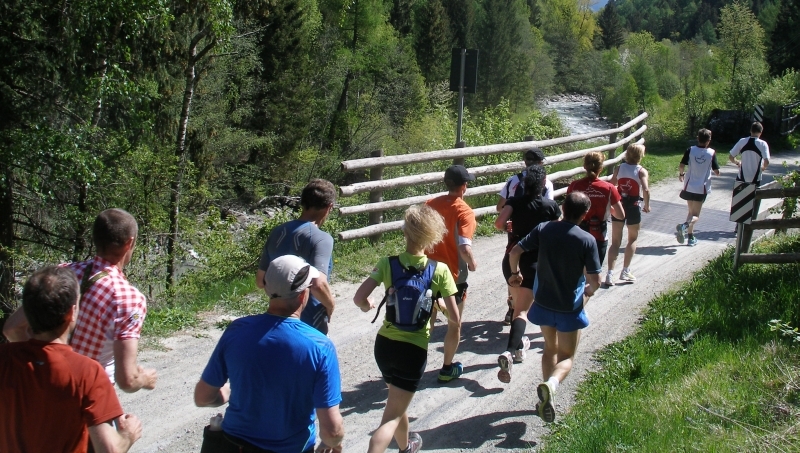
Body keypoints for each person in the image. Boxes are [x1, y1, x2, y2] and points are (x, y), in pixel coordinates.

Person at [195, 255, 344, 453]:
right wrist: (333, 444)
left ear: (267, 289)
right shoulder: (320, 347)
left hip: (232, 445)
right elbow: (332, 431)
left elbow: (203, 397)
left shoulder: (236, 330)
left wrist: (230, 392)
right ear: (303, 295)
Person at [3, 208, 157, 392]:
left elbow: (11, 328)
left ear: (96, 238)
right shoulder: (129, 299)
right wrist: (145, 379)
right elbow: (127, 380)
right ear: (129, 243)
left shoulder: (60, 276)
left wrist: (38, 361)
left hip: (47, 387)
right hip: (91, 395)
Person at [353, 204, 460, 453]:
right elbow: (456, 319)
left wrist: (368, 306)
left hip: (385, 346)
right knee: (390, 416)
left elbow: (359, 298)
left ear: (405, 232)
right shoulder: (440, 270)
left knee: (396, 404)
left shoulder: (387, 263)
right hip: (413, 351)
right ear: (432, 236)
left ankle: (406, 447)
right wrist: (441, 306)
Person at [0, 266, 143, 452]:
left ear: (27, 311)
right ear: (72, 313)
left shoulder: (5, 358)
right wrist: (128, 435)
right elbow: (109, 450)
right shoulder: (87, 372)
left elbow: (11, 330)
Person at [507, 192, 601, 423]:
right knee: (567, 356)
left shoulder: (544, 229)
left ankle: (544, 400)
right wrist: (588, 293)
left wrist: (514, 273)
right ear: (584, 214)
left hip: (544, 302)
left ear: (563, 207)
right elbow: (595, 281)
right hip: (569, 307)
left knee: (550, 348)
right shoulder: (586, 240)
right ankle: (551, 384)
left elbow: (515, 251)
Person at [494, 165, 561, 383]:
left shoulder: (514, 202)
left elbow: (498, 223)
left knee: (516, 308)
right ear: (543, 184)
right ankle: (511, 350)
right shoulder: (551, 206)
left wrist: (512, 230)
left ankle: (517, 348)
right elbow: (559, 231)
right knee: (523, 311)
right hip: (535, 262)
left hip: (512, 258)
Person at [256, 179, 337, 335]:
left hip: (276, 320)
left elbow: (260, 281)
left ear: (303, 203)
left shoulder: (277, 231)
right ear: (329, 207)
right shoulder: (322, 239)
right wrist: (331, 304)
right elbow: (318, 285)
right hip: (309, 322)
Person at [425, 164, 477, 383]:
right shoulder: (464, 211)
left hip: (426, 271)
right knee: (454, 323)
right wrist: (472, 264)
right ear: (464, 186)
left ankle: (415, 364)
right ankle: (447, 368)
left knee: (426, 321)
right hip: (453, 277)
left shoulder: (429, 205)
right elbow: (464, 248)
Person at [496, 148, 554, 325]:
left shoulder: (513, 180)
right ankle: (532, 306)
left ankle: (512, 307)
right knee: (535, 270)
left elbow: (500, 207)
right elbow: (548, 208)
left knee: (513, 265)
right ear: (540, 163)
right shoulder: (547, 183)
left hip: (515, 232)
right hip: (538, 235)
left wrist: (509, 220)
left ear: (525, 162)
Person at [567, 152, 624, 267]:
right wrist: (609, 209)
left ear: (584, 166)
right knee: (593, 274)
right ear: (601, 168)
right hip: (598, 234)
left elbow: (567, 210)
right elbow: (621, 215)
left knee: (576, 271)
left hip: (576, 232)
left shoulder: (574, 186)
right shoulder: (609, 188)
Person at [606, 143, 651, 285]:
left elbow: (612, 185)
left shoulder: (619, 168)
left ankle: (609, 274)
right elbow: (646, 189)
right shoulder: (641, 171)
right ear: (640, 156)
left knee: (615, 242)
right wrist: (647, 205)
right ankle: (625, 271)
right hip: (633, 206)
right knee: (632, 239)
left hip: (619, 205)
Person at [677, 128, 720, 247]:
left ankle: (690, 238)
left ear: (698, 138)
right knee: (696, 216)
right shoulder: (711, 153)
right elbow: (716, 171)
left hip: (689, 186)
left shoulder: (690, 150)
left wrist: (681, 174)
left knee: (691, 212)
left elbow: (681, 165)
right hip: (702, 188)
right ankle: (684, 226)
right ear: (709, 140)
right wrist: (717, 172)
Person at [729, 121, 771, 223]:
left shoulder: (742, 141)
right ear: (761, 132)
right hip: (755, 177)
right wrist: (763, 168)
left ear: (750, 130)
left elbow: (731, 156)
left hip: (742, 176)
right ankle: (751, 222)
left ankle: (738, 225)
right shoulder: (762, 144)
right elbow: (767, 160)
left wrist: (737, 162)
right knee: (754, 200)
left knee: (739, 200)